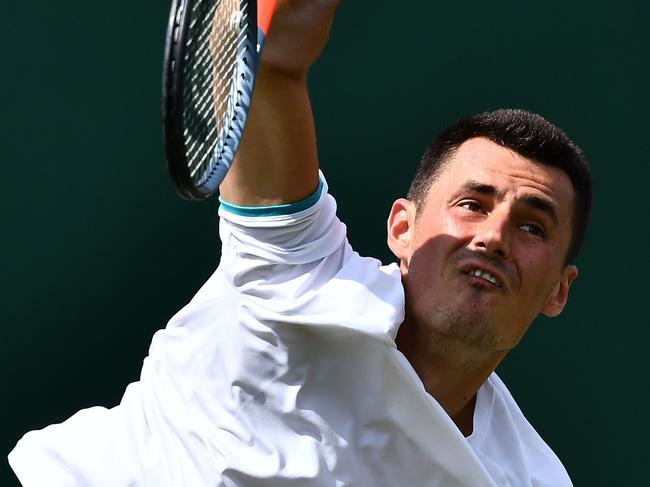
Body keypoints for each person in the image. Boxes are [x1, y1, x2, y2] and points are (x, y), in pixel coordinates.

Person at [9, 1, 591, 485]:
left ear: (559, 292)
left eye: (532, 227)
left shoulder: (528, 478)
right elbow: (270, 66)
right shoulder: (296, 270)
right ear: (402, 229)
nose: (492, 236)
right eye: (472, 204)